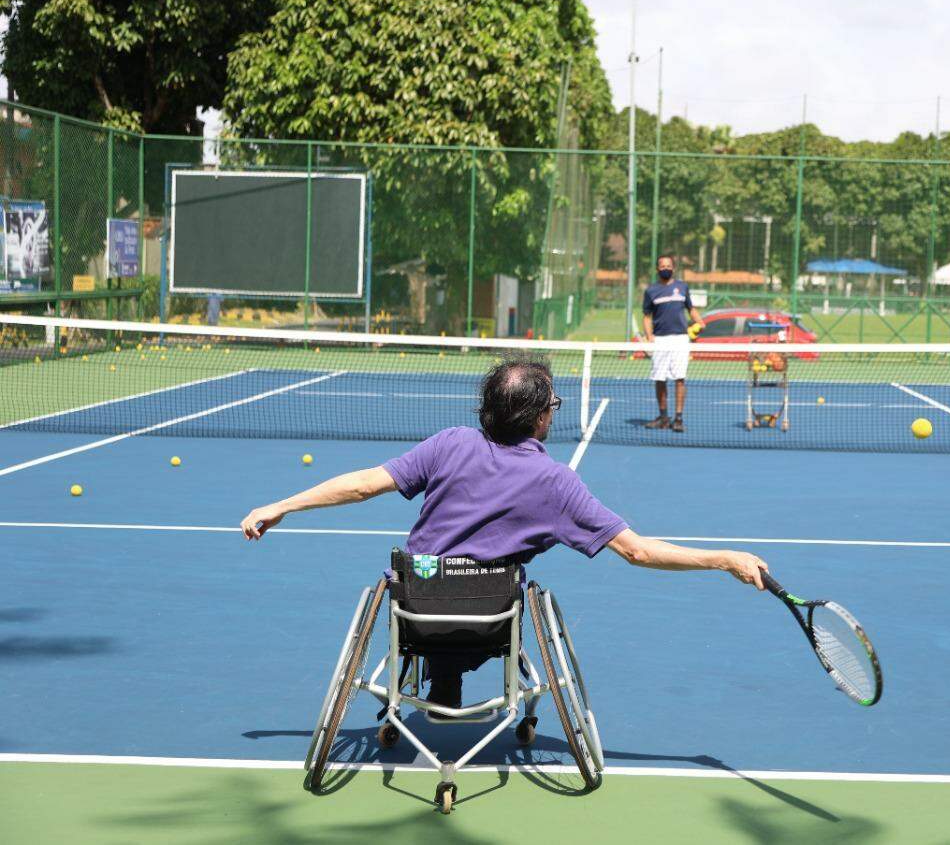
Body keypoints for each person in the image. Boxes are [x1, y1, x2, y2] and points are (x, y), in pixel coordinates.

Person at [240, 356, 767, 710]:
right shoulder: (556, 484)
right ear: (538, 419)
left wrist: (282, 504)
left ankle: (440, 673)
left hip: (416, 610)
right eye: (552, 406)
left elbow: (360, 486)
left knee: (433, 581)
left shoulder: (448, 444)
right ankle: (453, 670)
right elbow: (637, 551)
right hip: (489, 620)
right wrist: (723, 558)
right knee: (497, 590)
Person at [642, 254, 704, 433]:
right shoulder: (651, 291)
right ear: (657, 269)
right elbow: (646, 317)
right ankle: (663, 417)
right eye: (662, 266)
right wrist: (649, 336)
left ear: (673, 268)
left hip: (680, 339)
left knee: (679, 378)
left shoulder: (682, 287)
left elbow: (691, 310)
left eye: (668, 265)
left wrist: (700, 322)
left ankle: (678, 418)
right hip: (660, 340)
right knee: (659, 379)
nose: (665, 268)